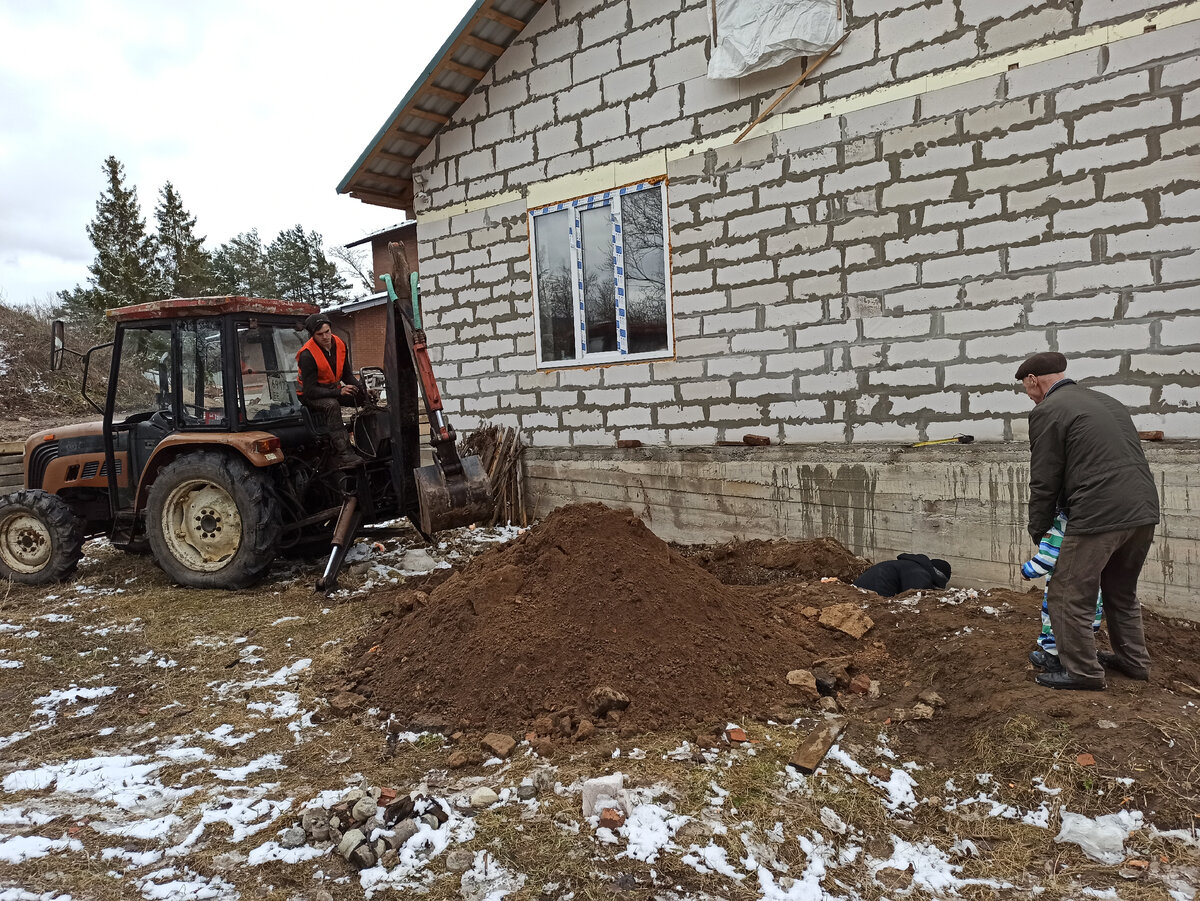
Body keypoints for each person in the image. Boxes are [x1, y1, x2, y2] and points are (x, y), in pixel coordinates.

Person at [1017, 351, 1159, 691]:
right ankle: (1133, 662)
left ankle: (1082, 671)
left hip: (1099, 514)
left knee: (1069, 594)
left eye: (1025, 386)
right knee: (1120, 592)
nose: (1027, 392)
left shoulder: (1048, 410)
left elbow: (1045, 478)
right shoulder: (1106, 401)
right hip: (1143, 509)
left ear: (1033, 380)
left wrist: (1040, 530)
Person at [1021, 510, 1103, 672]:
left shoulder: (1059, 529)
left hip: (1064, 589)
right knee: (1083, 624)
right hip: (1091, 588)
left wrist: (1027, 571)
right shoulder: (1095, 528)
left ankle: (1053, 658)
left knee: (1055, 621)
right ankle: (1084, 655)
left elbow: (1046, 559)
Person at [296, 313, 363, 469]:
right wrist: (338, 392)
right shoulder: (307, 355)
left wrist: (362, 389)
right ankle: (344, 453)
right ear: (312, 335)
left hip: (332, 389)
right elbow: (310, 391)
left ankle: (365, 438)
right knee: (332, 405)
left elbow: (347, 375)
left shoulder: (340, 345)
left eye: (327, 332)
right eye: (320, 334)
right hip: (310, 395)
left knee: (361, 397)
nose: (325, 337)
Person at [853, 554, 951, 597]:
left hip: (857, 590)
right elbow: (915, 597)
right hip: (874, 592)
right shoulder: (920, 574)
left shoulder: (911, 566)